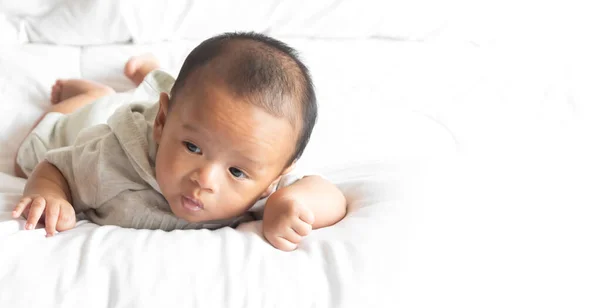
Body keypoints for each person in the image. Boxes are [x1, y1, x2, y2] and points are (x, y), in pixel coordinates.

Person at [11, 32, 347, 251]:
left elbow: (330, 197)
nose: (204, 179)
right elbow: (52, 165)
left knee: (194, 103)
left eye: (236, 172)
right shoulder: (108, 161)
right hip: (94, 121)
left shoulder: (264, 180)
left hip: (180, 113)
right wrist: (49, 194)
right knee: (26, 156)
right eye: (193, 148)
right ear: (161, 122)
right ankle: (90, 94)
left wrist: (291, 203)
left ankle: (151, 76)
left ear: (272, 179)